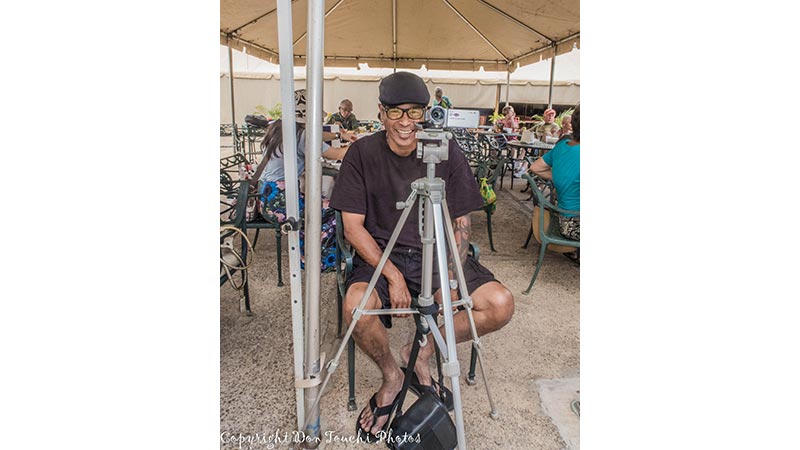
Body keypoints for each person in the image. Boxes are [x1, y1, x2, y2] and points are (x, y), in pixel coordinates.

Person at [330, 72, 514, 440]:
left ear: (427, 113)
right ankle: (392, 376)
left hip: (438, 252)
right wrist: (394, 276)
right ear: (380, 113)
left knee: (499, 304)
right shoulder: (362, 153)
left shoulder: (445, 149)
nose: (405, 123)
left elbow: (461, 221)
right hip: (383, 254)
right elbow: (352, 228)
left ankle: (420, 354)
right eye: (395, 112)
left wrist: (451, 272)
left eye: (414, 112)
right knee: (356, 307)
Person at [251, 89, 351, 272]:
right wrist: (357, 144)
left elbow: (316, 136)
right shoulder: (302, 136)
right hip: (282, 202)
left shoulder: (279, 128)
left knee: (317, 206)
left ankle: (306, 252)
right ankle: (320, 259)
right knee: (333, 209)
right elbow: (336, 154)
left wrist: (338, 135)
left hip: (265, 197)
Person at [530, 105, 580, 241]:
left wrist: (562, 176)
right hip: (574, 223)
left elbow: (535, 167)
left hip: (563, 218)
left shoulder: (562, 145)